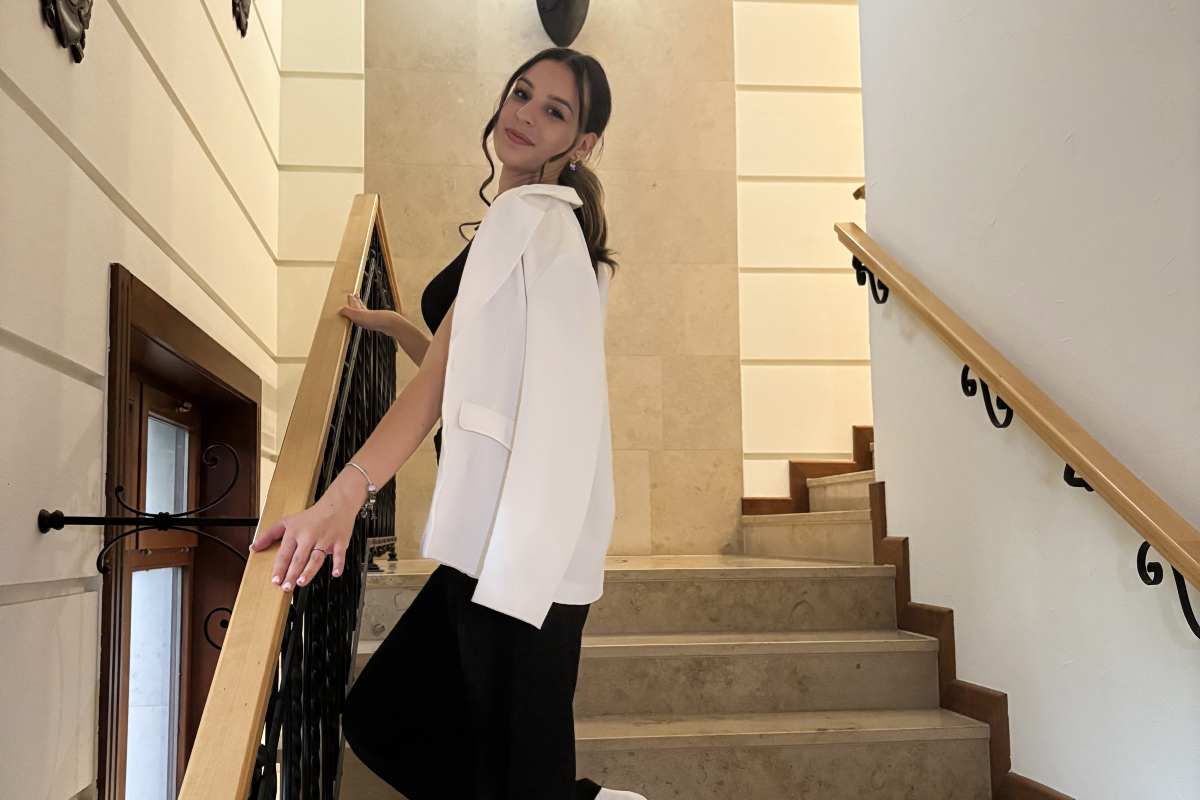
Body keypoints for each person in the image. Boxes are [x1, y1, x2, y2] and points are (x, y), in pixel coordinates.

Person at [248, 48, 647, 800]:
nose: (525, 115)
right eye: (521, 93)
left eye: (554, 111)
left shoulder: (525, 219)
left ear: (583, 142)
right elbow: (474, 370)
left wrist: (343, 497)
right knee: (399, 722)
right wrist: (398, 326)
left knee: (479, 756)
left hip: (517, 547)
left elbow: (437, 387)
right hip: (522, 541)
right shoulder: (555, 233)